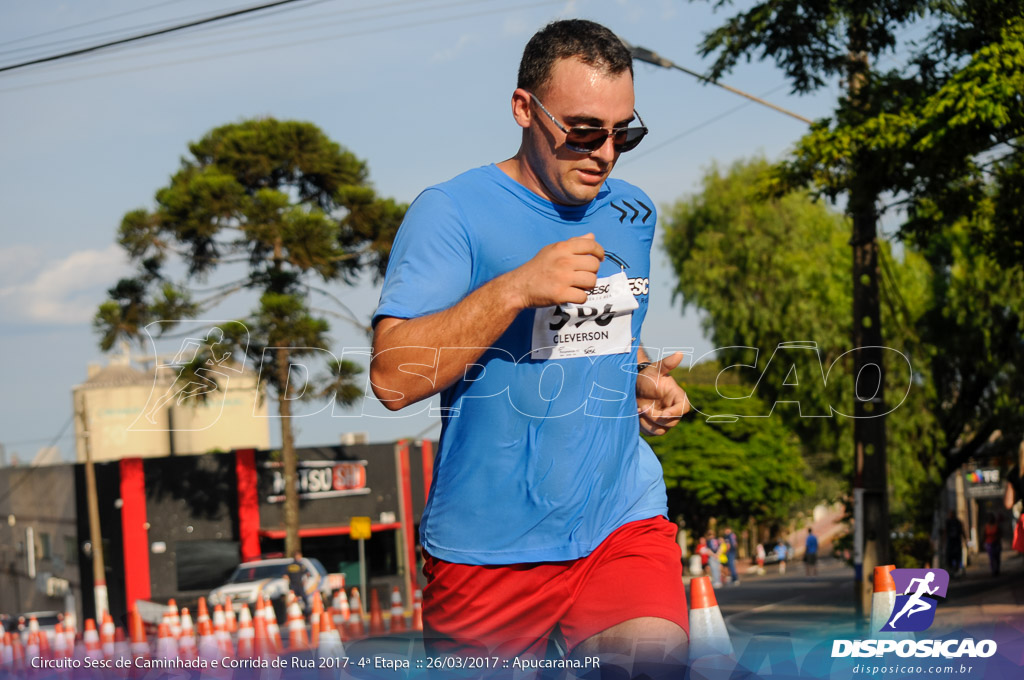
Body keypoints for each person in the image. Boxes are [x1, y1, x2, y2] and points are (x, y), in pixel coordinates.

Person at [369, 19, 690, 674]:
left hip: (618, 523)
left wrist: (642, 381)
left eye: (622, 132)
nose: (604, 153)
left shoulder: (632, 210)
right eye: (582, 130)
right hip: (487, 550)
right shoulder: (450, 213)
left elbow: (603, 341)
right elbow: (392, 378)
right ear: (524, 109)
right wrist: (515, 288)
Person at [944, 511, 967, 577]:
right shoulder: (948, 522)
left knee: (957, 557)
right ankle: (952, 570)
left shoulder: (957, 522)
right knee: (950, 557)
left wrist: (965, 539)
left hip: (956, 542)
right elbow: (946, 531)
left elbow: (962, 530)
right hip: (950, 542)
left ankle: (956, 570)